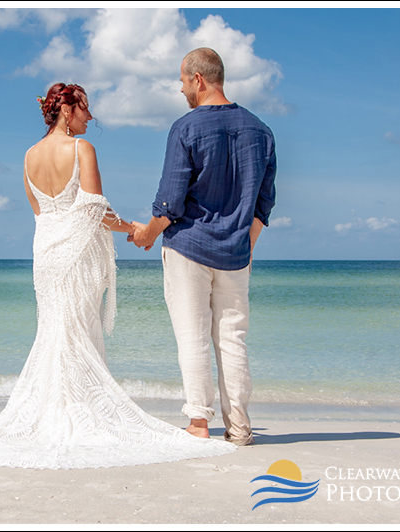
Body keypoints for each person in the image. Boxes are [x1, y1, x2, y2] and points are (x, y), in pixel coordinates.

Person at [0, 83, 236, 469]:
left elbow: (41, 214)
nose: (90, 117)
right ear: (66, 110)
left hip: (46, 256)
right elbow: (95, 211)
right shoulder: (81, 150)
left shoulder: (28, 157)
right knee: (76, 333)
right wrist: (135, 229)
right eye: (85, 109)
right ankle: (78, 413)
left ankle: (57, 411)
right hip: (77, 256)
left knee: (58, 331)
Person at [130, 48, 277, 446]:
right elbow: (264, 202)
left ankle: (199, 422)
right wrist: (242, 243)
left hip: (189, 248)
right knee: (233, 338)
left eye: (182, 80)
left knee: (192, 336)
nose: (180, 89)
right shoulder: (262, 131)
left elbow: (171, 201)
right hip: (235, 254)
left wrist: (148, 234)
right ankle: (240, 427)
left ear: (198, 79)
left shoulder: (185, 128)